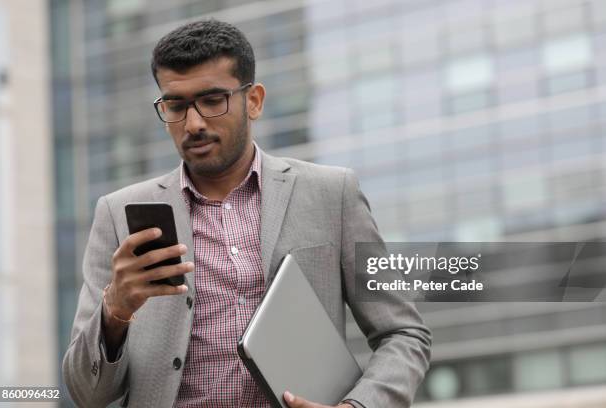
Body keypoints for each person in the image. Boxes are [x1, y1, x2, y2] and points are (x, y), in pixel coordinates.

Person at [63, 19, 431, 408]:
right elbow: (87, 394)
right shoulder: (118, 215)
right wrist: (115, 312)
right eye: (176, 105)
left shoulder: (331, 194)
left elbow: (403, 334)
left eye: (212, 100)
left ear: (253, 100)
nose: (194, 123)